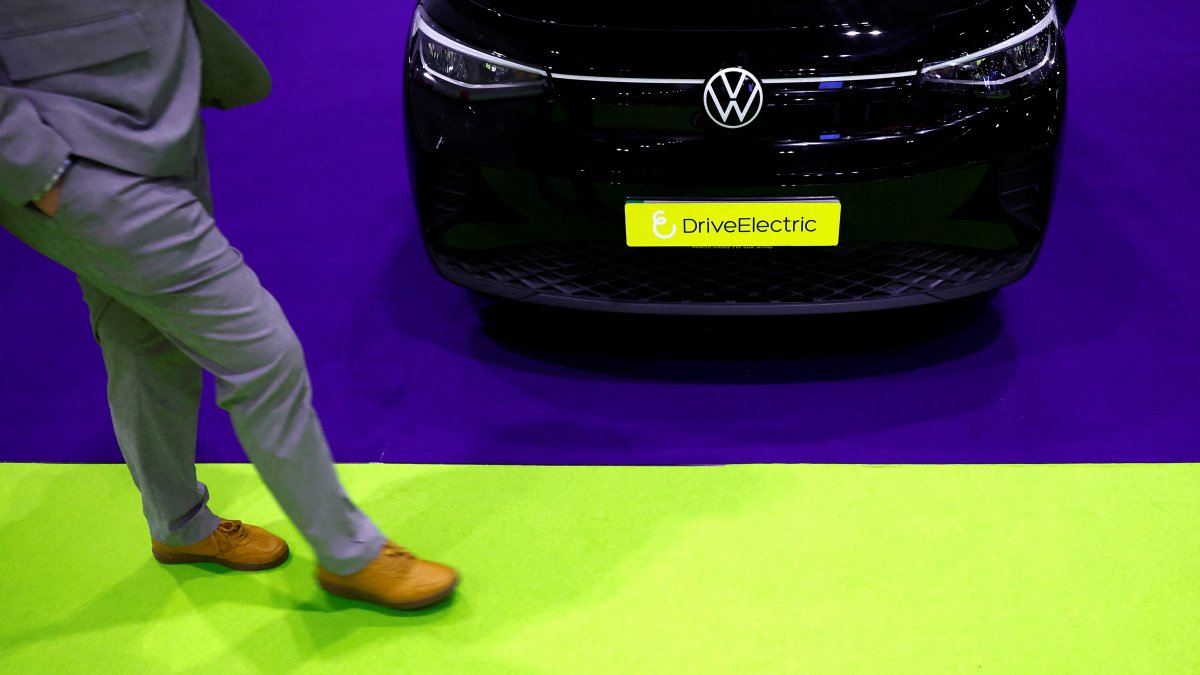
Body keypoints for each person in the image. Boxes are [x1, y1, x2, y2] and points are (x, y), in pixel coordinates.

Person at [0, 0, 457, 610]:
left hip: (152, 123)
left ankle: (179, 527)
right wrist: (36, 170)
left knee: (144, 341)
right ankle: (351, 554)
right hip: (75, 160)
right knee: (262, 355)